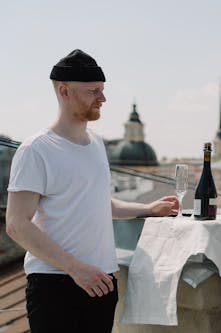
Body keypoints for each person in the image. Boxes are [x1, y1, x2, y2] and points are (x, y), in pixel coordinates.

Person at [5, 49, 179, 333]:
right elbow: (16, 225)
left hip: (101, 280)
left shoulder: (96, 144)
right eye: (93, 91)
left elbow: (100, 204)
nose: (103, 98)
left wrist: (148, 209)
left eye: (102, 90)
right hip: (56, 283)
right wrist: (76, 269)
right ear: (64, 92)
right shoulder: (36, 149)